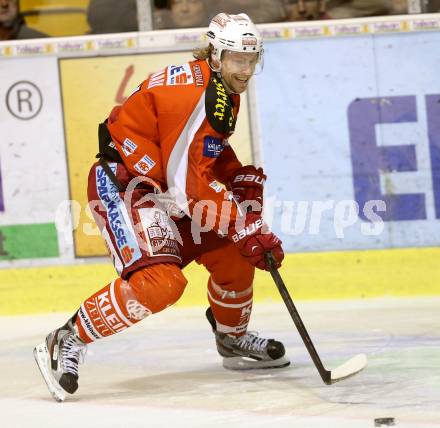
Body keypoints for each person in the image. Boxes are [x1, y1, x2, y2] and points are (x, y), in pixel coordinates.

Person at [34, 12, 287, 402]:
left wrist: (235, 175)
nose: (247, 68)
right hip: (127, 184)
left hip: (164, 186)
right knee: (162, 284)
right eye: (239, 58)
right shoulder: (202, 95)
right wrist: (242, 222)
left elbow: (197, 150)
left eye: (253, 59)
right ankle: (66, 338)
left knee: (235, 255)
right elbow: (188, 187)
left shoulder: (218, 86)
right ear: (216, 55)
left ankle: (232, 338)